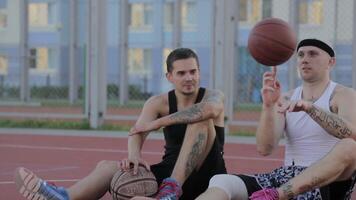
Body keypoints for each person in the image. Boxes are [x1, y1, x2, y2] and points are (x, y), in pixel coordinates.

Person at [14, 48, 227, 200]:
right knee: (108, 167)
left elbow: (209, 110)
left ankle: (171, 191)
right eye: (182, 73)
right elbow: (137, 132)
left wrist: (158, 123)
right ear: (169, 76)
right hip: (167, 174)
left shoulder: (213, 96)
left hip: (207, 177)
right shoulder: (157, 102)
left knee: (201, 122)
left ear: (199, 72)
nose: (189, 77)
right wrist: (134, 155)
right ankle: (64, 196)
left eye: (193, 71)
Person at [196, 38, 356, 200]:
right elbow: (265, 148)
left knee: (351, 145)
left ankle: (276, 196)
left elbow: (352, 134)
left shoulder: (343, 95)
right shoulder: (286, 98)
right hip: (287, 177)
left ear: (331, 62)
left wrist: (310, 108)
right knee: (221, 180)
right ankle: (271, 196)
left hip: (325, 183)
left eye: (313, 54)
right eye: (300, 55)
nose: (305, 59)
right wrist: (268, 107)